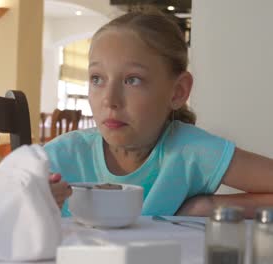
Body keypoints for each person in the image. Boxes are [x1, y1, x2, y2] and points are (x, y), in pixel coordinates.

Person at [45, 10, 273, 218]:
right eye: (97, 79)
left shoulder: (190, 149)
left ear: (178, 92)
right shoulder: (61, 156)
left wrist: (207, 207)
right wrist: (32, 203)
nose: (110, 100)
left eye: (132, 80)